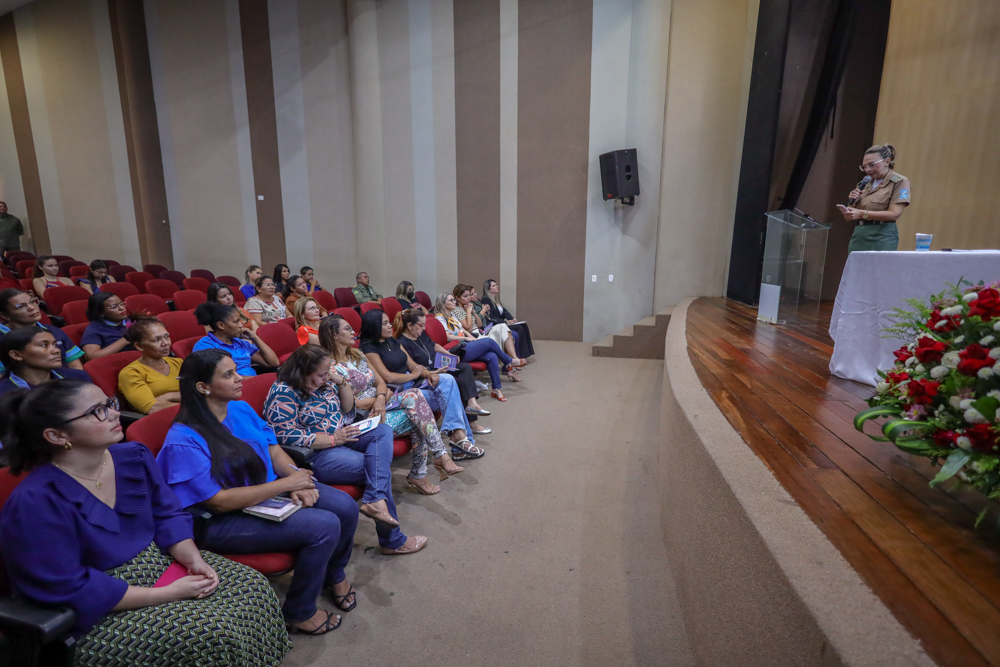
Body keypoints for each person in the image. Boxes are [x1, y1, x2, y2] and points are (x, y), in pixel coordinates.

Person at [0, 381, 291, 664]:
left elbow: (168, 512)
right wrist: (166, 594)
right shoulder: (35, 501)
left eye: (109, 404)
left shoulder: (132, 457)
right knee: (210, 633)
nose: (115, 413)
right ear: (56, 435)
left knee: (253, 587)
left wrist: (192, 557)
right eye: (97, 411)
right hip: (97, 603)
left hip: (156, 562)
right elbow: (67, 585)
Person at [157, 350, 359, 635]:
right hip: (220, 520)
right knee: (323, 526)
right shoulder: (184, 438)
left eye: (235, 371)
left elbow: (273, 448)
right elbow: (218, 502)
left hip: (268, 490)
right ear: (203, 387)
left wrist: (294, 476)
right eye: (228, 375)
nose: (240, 377)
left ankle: (334, 574)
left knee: (346, 506)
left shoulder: (238, 408)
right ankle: (299, 612)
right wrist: (286, 486)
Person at [264, 345, 428, 555]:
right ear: (301, 371)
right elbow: (283, 435)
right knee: (378, 468)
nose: (324, 378)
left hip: (343, 433)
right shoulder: (284, 392)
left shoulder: (326, 383)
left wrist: (339, 380)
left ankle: (376, 501)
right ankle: (392, 540)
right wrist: (332, 439)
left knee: (383, 430)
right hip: (319, 451)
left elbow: (348, 407)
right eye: (320, 374)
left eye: (326, 373)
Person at [319, 315, 463, 493]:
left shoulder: (357, 355)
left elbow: (380, 382)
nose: (353, 332)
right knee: (418, 416)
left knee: (416, 397)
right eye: (347, 329)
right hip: (360, 419)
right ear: (333, 335)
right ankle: (425, 469)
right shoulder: (328, 367)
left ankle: (437, 458)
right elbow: (348, 405)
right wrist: (377, 401)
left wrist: (380, 398)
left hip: (382, 403)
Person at [359, 309, 484, 458]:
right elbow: (388, 377)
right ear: (374, 326)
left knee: (448, 380)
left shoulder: (392, 341)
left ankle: (460, 440)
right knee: (450, 396)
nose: (390, 326)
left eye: (389, 322)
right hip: (398, 392)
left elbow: (413, 366)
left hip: (414, 384)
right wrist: (413, 375)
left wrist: (429, 374)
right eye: (385, 323)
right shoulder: (368, 349)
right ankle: (462, 443)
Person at [395, 308, 492, 435]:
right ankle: (471, 423)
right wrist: (433, 372)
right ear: (409, 325)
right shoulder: (402, 343)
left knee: (465, 368)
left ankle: (472, 403)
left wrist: (448, 355)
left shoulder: (420, 335)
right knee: (457, 382)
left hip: (438, 364)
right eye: (421, 325)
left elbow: (434, 345)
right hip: (427, 373)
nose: (424, 328)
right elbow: (415, 368)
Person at [434, 292, 519, 401]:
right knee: (488, 341)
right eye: (451, 300)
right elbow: (447, 337)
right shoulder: (440, 318)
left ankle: (496, 389)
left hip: (464, 344)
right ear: (442, 303)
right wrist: (466, 338)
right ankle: (509, 361)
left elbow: (462, 330)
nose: (454, 302)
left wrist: (471, 338)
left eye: (454, 300)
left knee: (492, 355)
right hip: (455, 350)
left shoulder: (451, 314)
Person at [840, 144, 911, 252]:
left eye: (872, 165)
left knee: (879, 268)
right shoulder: (864, 183)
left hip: (882, 236)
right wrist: (850, 207)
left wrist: (861, 213)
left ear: (887, 161)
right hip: (859, 235)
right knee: (856, 268)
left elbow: (894, 214)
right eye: (864, 166)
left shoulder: (899, 181)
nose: (867, 169)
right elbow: (849, 218)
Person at [0, 288, 84, 374]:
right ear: (5, 316)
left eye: (32, 301)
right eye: (21, 306)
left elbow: (75, 366)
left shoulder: (54, 331)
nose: (32, 308)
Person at [193, 302, 279, 377]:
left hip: (252, 383)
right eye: (236, 322)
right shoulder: (205, 345)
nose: (241, 325)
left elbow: (273, 363)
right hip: (232, 390)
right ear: (221, 325)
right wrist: (257, 381)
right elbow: (218, 379)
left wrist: (255, 337)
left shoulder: (240, 342)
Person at [118, 317, 183, 414]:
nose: (165, 343)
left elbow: (201, 391)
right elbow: (152, 408)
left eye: (166, 337)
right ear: (139, 346)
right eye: (156, 340)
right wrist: (194, 404)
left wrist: (169, 396)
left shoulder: (178, 362)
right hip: (162, 420)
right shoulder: (131, 373)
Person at [0, 326, 92, 395]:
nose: (56, 350)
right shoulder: (4, 394)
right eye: (44, 345)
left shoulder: (79, 377)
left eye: (55, 345)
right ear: (16, 355)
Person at [453, 284, 525, 367]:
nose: (469, 298)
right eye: (465, 296)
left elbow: (479, 324)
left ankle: (514, 359)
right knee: (500, 336)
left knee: (502, 326)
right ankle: (509, 363)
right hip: (473, 336)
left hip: (480, 332)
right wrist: (469, 312)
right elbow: (469, 328)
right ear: (457, 298)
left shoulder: (468, 306)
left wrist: (474, 313)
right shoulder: (457, 310)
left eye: (469, 295)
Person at [481, 278, 534, 360]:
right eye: (494, 286)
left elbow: (504, 310)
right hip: (496, 325)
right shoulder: (486, 299)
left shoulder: (496, 299)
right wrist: (506, 322)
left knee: (524, 326)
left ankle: (525, 353)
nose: (496, 286)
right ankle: (517, 356)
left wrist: (512, 319)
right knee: (519, 328)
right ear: (488, 289)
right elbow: (490, 317)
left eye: (496, 285)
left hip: (502, 323)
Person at [80, 292, 134, 361]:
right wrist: (124, 340)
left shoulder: (129, 320)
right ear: (101, 312)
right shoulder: (94, 329)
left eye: (121, 304)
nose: (121, 308)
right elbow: (92, 357)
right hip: (117, 364)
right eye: (114, 307)